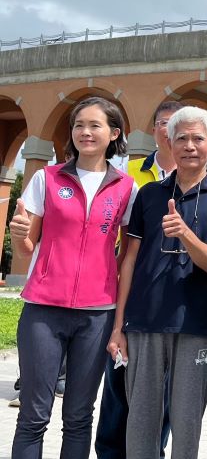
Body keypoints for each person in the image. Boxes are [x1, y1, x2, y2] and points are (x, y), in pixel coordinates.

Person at [108, 106, 207, 459]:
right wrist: (118, 326)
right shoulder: (149, 195)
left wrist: (183, 233)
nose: (190, 145)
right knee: (141, 419)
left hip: (197, 323)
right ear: (169, 141)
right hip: (145, 319)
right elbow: (130, 259)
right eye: (181, 138)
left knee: (186, 421)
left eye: (198, 138)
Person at [10, 96, 137, 459]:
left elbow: (127, 256)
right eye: (79, 125)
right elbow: (26, 248)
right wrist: (20, 234)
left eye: (95, 125)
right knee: (33, 416)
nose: (85, 132)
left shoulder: (127, 188)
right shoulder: (46, 178)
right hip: (43, 311)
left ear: (114, 133)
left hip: (97, 314)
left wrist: (119, 320)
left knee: (80, 417)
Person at [96, 99, 183, 459]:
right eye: (164, 122)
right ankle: (110, 451)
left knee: (160, 390)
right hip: (126, 292)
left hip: (171, 298)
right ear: (153, 130)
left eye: (177, 123)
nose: (170, 130)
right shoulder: (127, 173)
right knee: (118, 383)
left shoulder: (201, 179)